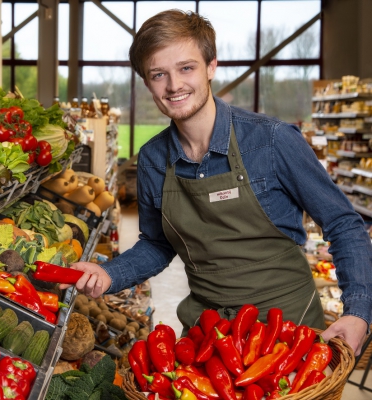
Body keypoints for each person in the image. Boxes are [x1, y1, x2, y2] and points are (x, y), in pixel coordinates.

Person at [62, 9, 372, 356]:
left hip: (290, 335)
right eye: (159, 74)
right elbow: (158, 244)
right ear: (147, 83)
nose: (174, 85)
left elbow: (344, 224)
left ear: (211, 67)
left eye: (186, 68)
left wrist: (358, 312)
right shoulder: (152, 159)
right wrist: (109, 274)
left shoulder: (271, 141)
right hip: (208, 339)